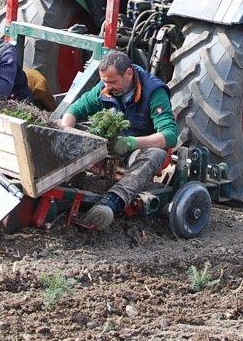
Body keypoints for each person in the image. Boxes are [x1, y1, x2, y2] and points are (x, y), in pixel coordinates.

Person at [60, 50, 179, 230]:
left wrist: (132, 143)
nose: (107, 86)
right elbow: (75, 109)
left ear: (129, 74)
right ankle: (64, 184)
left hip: (137, 151)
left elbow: (170, 135)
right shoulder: (105, 87)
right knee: (76, 130)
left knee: (155, 154)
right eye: (105, 81)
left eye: (113, 82)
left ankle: (110, 203)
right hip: (110, 146)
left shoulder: (154, 92)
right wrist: (66, 130)